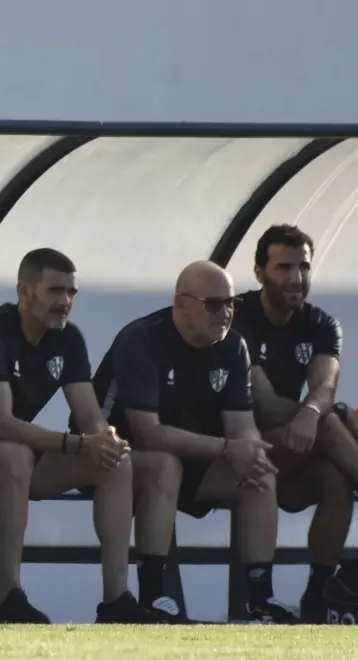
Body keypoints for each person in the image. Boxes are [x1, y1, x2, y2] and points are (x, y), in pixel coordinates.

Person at [0, 248, 159, 624]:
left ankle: (116, 601)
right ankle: (9, 597)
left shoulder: (67, 339)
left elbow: (89, 416)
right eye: (55, 291)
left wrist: (104, 439)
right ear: (24, 291)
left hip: (13, 456)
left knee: (116, 463)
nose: (65, 302)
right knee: (13, 454)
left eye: (71, 293)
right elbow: (1, 422)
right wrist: (79, 444)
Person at [91, 259, 299, 623]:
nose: (225, 313)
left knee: (260, 473)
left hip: (192, 455)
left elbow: (241, 425)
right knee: (163, 464)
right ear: (181, 303)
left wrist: (248, 448)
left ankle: (261, 599)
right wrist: (225, 448)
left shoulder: (234, 347)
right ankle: (154, 596)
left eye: (231, 304)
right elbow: (146, 432)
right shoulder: (142, 339)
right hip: (115, 458)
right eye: (214, 304)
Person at [231, 224, 358, 622]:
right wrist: (324, 416)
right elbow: (264, 406)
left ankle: (319, 597)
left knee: (335, 478)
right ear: (259, 272)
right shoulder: (236, 317)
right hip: (231, 451)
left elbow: (324, 388)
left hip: (291, 453)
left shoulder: (320, 324)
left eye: (303, 266)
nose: (296, 277)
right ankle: (266, 598)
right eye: (284, 267)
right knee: (333, 425)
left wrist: (316, 413)